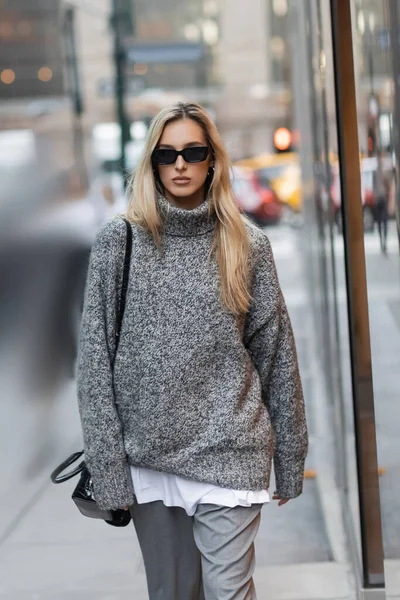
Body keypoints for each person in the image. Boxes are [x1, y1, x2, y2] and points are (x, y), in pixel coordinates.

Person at [77, 102, 308, 600]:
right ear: (153, 164)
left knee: (228, 591)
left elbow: (276, 358)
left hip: (231, 450)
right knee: (174, 593)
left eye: (193, 152)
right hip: (150, 459)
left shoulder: (247, 244)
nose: (180, 164)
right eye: (167, 154)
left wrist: (290, 457)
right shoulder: (120, 242)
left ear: (212, 161)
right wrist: (110, 470)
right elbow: (95, 365)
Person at [374, 152, 389, 254]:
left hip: (383, 198)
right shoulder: (375, 172)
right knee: (380, 221)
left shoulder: (384, 171)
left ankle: (384, 242)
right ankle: (381, 242)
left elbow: (387, 184)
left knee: (384, 221)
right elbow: (373, 185)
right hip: (379, 198)